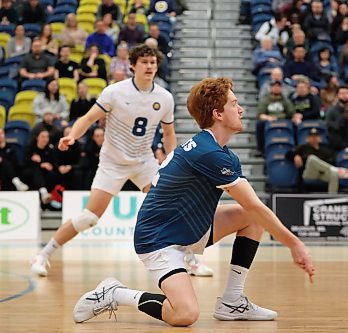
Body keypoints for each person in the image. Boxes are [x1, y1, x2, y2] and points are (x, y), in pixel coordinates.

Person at [72, 77, 315, 326]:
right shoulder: (209, 153)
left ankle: (232, 301)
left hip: (188, 228)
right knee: (185, 314)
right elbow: (255, 205)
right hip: (158, 240)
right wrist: (294, 244)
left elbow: (253, 209)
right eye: (234, 104)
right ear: (218, 113)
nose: (241, 109)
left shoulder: (220, 152)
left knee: (251, 217)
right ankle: (115, 293)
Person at [30, 44, 177, 277]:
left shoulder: (165, 98)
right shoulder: (114, 92)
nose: (150, 66)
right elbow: (87, 119)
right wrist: (71, 136)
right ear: (132, 65)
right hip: (112, 163)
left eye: (153, 62)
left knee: (169, 208)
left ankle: (190, 261)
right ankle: (43, 254)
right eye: (145, 62)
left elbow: (169, 135)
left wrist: (172, 161)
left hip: (143, 161)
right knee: (89, 217)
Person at [291, 128, 348, 193]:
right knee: (311, 158)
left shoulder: (325, 150)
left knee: (334, 174)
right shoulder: (303, 147)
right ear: (308, 138)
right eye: (312, 136)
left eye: (316, 136)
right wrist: (295, 156)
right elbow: (288, 154)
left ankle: (332, 198)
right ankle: (336, 170)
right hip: (309, 173)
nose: (314, 138)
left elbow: (332, 160)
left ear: (319, 138)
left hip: (322, 174)